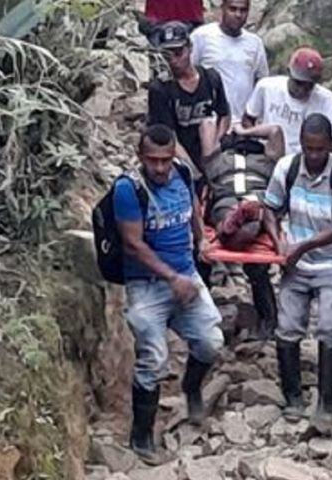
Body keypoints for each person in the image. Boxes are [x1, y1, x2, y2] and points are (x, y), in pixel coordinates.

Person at [115, 124, 223, 465]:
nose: (160, 168)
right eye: (153, 161)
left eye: (165, 159)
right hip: (147, 285)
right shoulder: (128, 190)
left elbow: (192, 206)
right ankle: (142, 433)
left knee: (210, 342)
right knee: (154, 359)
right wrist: (171, 277)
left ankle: (191, 389)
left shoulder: (181, 172)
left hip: (186, 276)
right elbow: (133, 244)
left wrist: (201, 239)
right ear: (140, 156)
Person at [264, 114, 332, 433]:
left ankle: (326, 403)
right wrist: (280, 243)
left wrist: (301, 247)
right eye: (308, 149)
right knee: (288, 327)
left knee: (330, 328)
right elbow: (270, 208)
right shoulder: (287, 169)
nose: (314, 156)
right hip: (296, 262)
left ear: (331, 145)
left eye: (320, 149)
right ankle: (292, 396)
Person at [201, 137, 283, 339]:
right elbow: (276, 132)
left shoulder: (216, 161)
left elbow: (207, 193)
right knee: (257, 269)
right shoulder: (268, 163)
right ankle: (269, 321)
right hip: (258, 199)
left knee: (224, 224)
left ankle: (232, 223)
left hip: (226, 200)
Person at [147, 22, 231, 175]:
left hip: (212, 153)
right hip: (179, 160)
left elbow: (223, 115)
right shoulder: (160, 89)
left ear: (190, 48)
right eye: (167, 54)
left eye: (178, 52)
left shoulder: (211, 78)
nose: (173, 60)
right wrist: (193, 172)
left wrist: (215, 150)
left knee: (208, 123)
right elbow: (169, 136)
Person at [238, 47, 332, 156]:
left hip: (303, 159)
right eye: (299, 83)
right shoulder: (267, 87)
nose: (303, 90)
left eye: (309, 85)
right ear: (289, 73)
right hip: (267, 154)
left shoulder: (325, 99)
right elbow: (249, 117)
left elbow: (331, 141)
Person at [190, 0, 269, 124]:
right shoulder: (201, 36)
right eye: (232, 9)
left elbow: (261, 83)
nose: (238, 14)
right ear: (223, 9)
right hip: (209, 122)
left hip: (242, 123)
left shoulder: (255, 43)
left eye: (243, 10)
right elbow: (187, 74)